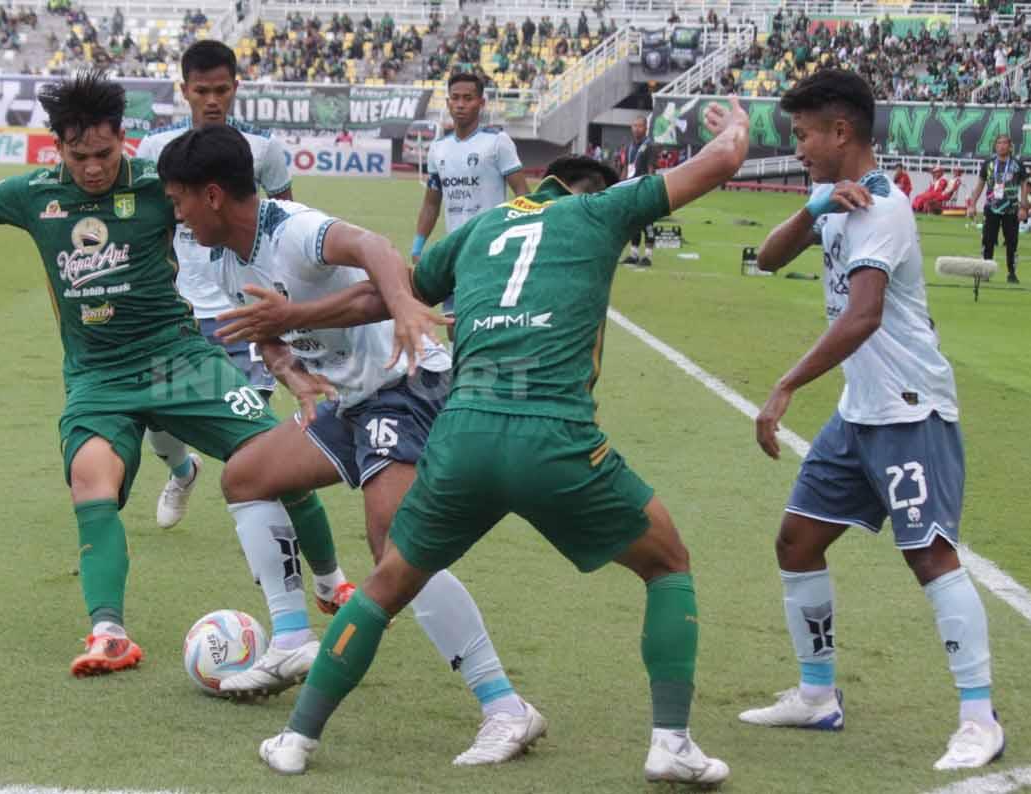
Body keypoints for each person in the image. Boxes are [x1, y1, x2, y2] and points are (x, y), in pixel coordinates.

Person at [0, 72, 406, 682]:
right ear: (59, 149)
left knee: (271, 456)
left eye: (104, 154)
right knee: (90, 482)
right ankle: (108, 633)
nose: (94, 168)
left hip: (176, 360)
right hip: (98, 376)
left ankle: (329, 581)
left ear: (121, 141)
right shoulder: (36, 194)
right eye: (80, 157)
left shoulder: (160, 186)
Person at [255, 98, 751, 783]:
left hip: (463, 432)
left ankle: (295, 740)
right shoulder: (600, 211)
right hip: (554, 435)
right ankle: (671, 743)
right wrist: (736, 127)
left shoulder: (483, 227)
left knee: (388, 582)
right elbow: (722, 160)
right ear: (594, 190)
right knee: (667, 561)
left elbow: (384, 296)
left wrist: (291, 317)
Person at [159, 123, 544, 764]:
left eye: (178, 200)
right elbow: (267, 334)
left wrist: (406, 307)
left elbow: (374, 249)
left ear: (214, 195)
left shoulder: (293, 231)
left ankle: (505, 707)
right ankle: (290, 639)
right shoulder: (226, 260)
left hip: (408, 383)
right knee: (247, 475)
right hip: (351, 401)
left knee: (396, 546)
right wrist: (293, 375)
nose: (175, 214)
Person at [745, 69, 1002, 772]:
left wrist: (784, 386)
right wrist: (815, 204)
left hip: (910, 410)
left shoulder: (884, 209)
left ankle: (980, 718)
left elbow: (862, 317)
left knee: (930, 555)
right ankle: (817, 695)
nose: (795, 147)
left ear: (841, 131)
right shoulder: (835, 200)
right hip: (860, 413)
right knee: (796, 543)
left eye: (802, 135)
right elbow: (766, 259)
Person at [134, 41, 354, 613]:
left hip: (244, 315)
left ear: (236, 88)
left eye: (221, 89)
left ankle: (317, 581)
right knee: (158, 421)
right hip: (176, 315)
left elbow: (277, 230)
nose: (211, 100)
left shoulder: (263, 151)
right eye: (200, 90)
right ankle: (181, 471)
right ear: (183, 90)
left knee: (254, 449)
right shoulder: (156, 151)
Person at [412, 72, 530, 336]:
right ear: (447, 103)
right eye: (455, 98)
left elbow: (523, 194)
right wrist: (418, 246)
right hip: (454, 251)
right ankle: (460, 375)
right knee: (453, 326)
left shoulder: (497, 142)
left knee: (487, 324)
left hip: (491, 249)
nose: (461, 104)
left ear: (481, 103)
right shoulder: (438, 148)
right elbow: (431, 203)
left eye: (468, 98)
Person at [967, 134, 1028, 284]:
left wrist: (1024, 207)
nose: (1001, 146)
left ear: (1010, 146)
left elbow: (1024, 185)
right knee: (988, 241)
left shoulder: (1017, 164)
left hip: (1011, 209)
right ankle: (986, 272)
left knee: (1012, 242)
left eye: (1004, 143)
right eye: (999, 143)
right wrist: (972, 204)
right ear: (995, 146)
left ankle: (1011, 273)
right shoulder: (988, 164)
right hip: (992, 208)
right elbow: (980, 184)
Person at [621, 115, 658, 267]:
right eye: (634, 125)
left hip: (644, 189)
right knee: (634, 223)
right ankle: (634, 254)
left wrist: (650, 189)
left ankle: (648, 256)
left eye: (639, 126)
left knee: (647, 224)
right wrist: (619, 186)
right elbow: (625, 167)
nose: (636, 128)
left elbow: (651, 169)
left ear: (646, 128)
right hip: (631, 189)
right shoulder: (629, 146)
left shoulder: (650, 145)